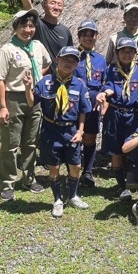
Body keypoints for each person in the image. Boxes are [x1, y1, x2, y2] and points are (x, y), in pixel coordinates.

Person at [0, 9, 52, 202]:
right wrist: (2, 106)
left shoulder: (38, 46)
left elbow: (47, 64)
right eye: (23, 26)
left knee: (31, 142)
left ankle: (29, 178)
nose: (28, 29)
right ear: (15, 27)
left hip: (34, 98)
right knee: (10, 144)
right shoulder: (7, 50)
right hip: (14, 98)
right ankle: (8, 183)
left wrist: (36, 77)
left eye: (31, 26)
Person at [24, 46, 91, 218]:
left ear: (77, 64)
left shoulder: (80, 85)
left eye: (73, 60)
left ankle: (73, 195)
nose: (69, 63)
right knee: (54, 168)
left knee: (75, 166)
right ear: (57, 60)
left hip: (71, 130)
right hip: (51, 131)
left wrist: (81, 131)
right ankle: (57, 199)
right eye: (65, 59)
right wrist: (27, 87)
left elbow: (83, 110)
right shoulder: (45, 82)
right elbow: (32, 103)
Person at [97, 37, 138, 201]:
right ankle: (121, 186)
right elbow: (109, 87)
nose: (127, 54)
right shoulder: (110, 69)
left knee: (137, 148)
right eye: (123, 51)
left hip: (134, 115)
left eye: (130, 51)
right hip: (115, 114)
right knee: (116, 150)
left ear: (135, 54)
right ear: (116, 53)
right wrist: (104, 94)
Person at [73, 19, 107, 188]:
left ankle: (88, 171)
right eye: (84, 34)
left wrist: (103, 96)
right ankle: (72, 171)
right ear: (78, 36)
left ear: (96, 36)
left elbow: (105, 82)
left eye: (91, 34)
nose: (88, 38)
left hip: (93, 101)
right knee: (73, 135)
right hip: (75, 100)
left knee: (90, 136)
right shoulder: (72, 56)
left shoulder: (101, 59)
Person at [16, 0, 73, 69]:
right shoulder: (38, 24)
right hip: (38, 78)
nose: (56, 7)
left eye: (60, 5)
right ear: (43, 6)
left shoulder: (65, 31)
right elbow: (28, 5)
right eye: (53, 3)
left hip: (59, 80)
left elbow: (70, 56)